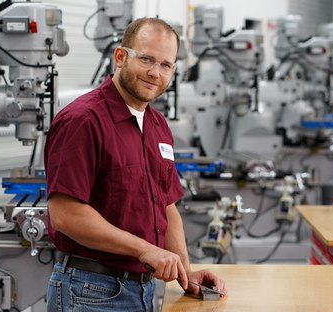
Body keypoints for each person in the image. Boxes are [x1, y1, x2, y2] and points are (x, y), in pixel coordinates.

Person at [44, 17, 227, 312]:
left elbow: (166, 206)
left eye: (166, 65)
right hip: (89, 292)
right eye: (146, 59)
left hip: (141, 291)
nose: (155, 73)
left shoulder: (157, 125)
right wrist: (145, 249)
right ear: (120, 57)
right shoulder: (83, 120)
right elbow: (65, 214)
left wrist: (185, 272)